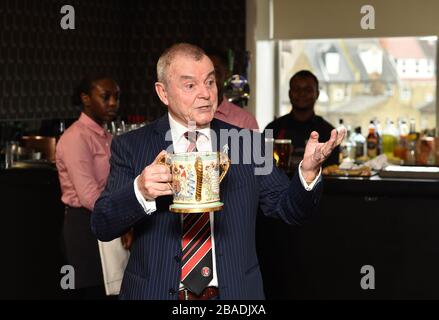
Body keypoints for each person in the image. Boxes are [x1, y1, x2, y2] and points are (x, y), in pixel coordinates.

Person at [91, 43, 345, 300]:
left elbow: (292, 210)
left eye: (210, 82)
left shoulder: (247, 144)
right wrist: (140, 191)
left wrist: (309, 172)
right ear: (163, 92)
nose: (205, 94)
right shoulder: (132, 146)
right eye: (190, 85)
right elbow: (102, 224)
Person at [56, 75, 131, 299]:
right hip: (83, 227)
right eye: (105, 97)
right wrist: (123, 221)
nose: (112, 103)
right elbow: (88, 195)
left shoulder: (106, 136)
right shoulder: (75, 138)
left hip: (106, 219)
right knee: (90, 291)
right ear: (86, 99)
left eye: (116, 97)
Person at [265, 70, 339, 169]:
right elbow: (262, 169)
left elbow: (331, 172)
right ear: (289, 94)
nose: (302, 93)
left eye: (308, 90)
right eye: (296, 89)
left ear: (317, 94)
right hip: (278, 184)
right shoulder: (272, 129)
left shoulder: (329, 133)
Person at [206, 49, 259, 131]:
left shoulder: (245, 121)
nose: (209, 79)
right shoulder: (187, 115)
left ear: (227, 75)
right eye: (205, 73)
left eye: (216, 72)